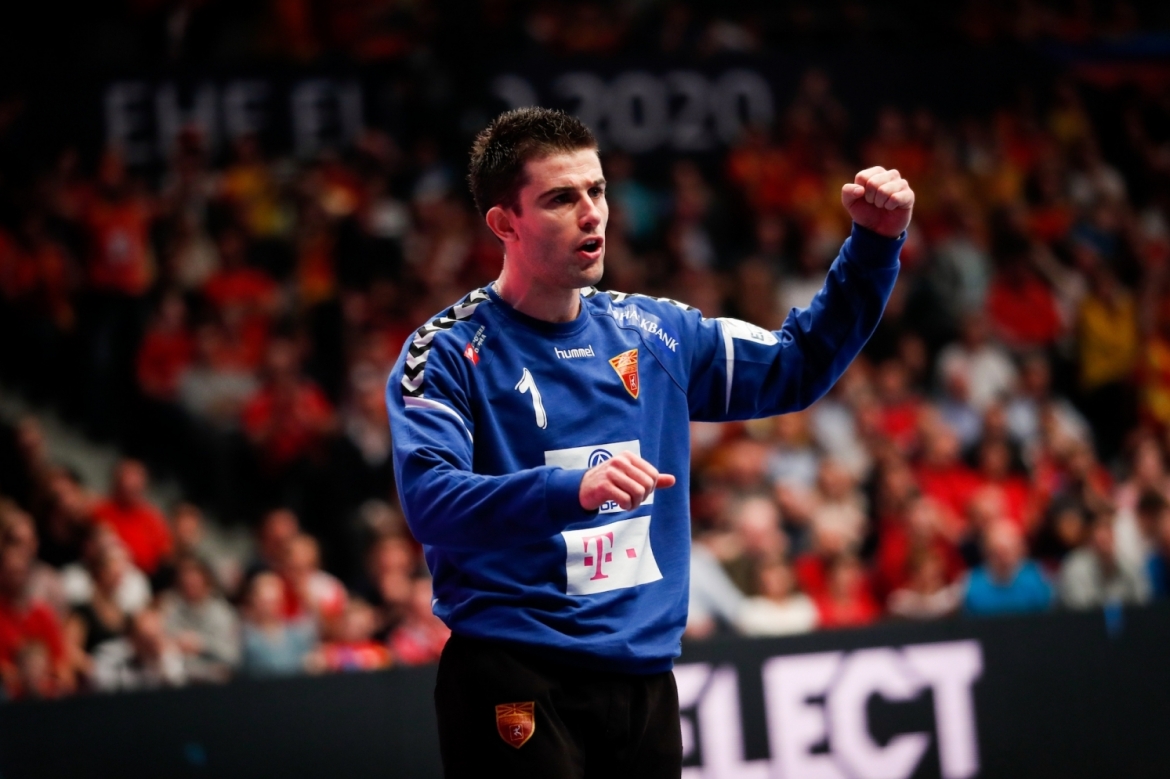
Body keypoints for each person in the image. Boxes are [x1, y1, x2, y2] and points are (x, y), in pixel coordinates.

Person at [386, 107, 910, 778]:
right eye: (560, 198)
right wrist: (573, 489)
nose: (592, 214)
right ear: (503, 223)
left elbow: (797, 366)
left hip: (643, 681)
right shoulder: (446, 352)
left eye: (597, 190)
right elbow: (431, 501)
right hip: (515, 671)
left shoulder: (655, 333)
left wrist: (873, 246)